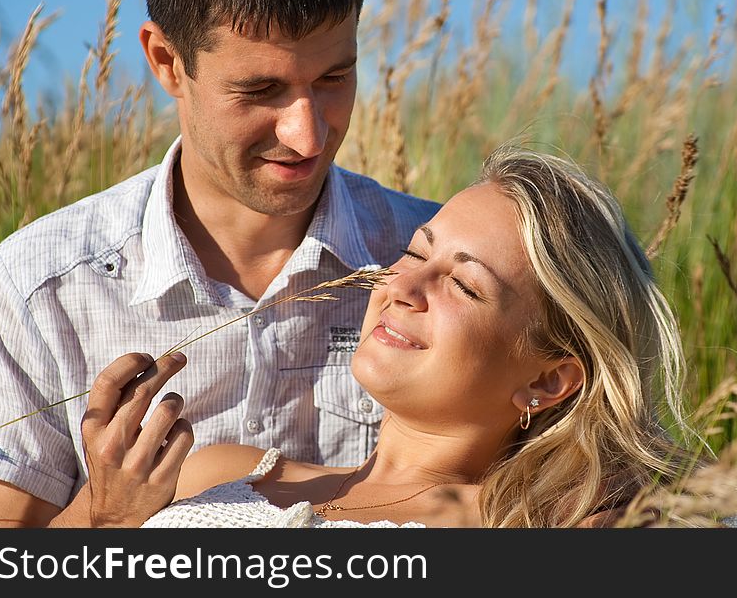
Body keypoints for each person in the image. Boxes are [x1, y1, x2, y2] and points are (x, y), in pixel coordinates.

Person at [0, 0, 440, 528]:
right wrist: (106, 517)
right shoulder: (40, 284)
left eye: (334, 77)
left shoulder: (438, 263)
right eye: (260, 90)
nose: (307, 135)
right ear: (167, 60)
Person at [72, 143, 705, 528]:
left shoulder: (544, 531)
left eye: (464, 285)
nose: (402, 286)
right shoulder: (211, 470)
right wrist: (106, 526)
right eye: (413, 251)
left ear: (546, 378)